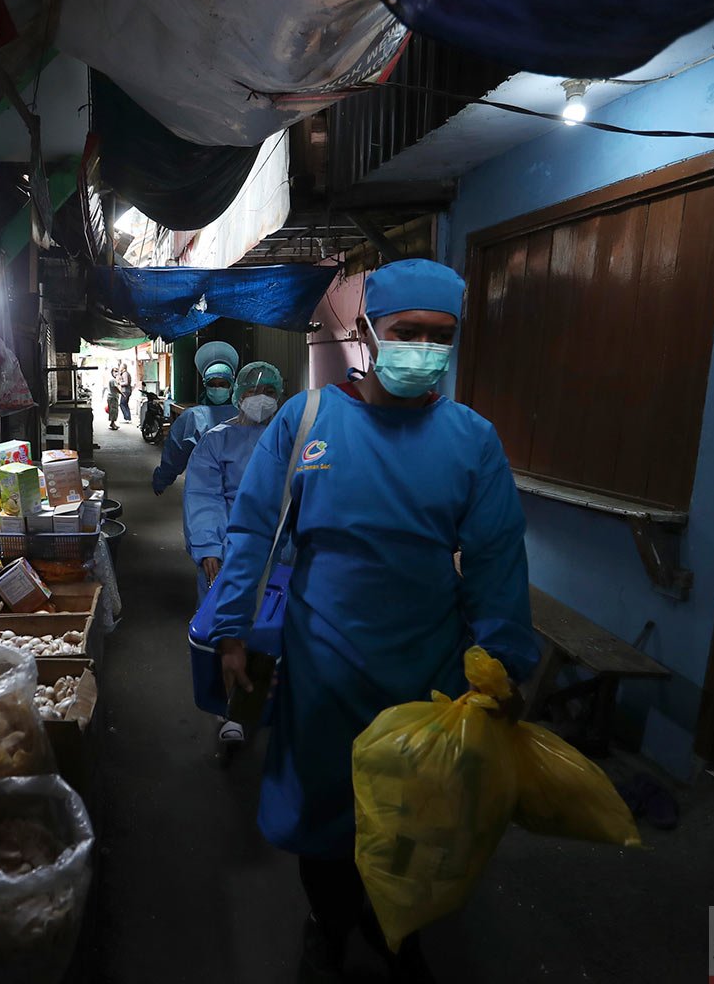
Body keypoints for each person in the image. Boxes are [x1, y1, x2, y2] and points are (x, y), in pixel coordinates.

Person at [206, 259, 538, 983]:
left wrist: (504, 661)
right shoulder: (310, 420)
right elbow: (254, 533)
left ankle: (396, 931)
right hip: (321, 668)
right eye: (406, 331)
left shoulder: (471, 441)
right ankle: (328, 925)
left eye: (439, 335)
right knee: (325, 823)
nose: (422, 347)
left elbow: (495, 561)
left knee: (415, 818)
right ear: (366, 333)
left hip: (427, 674)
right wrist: (233, 631)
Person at [184, 360, 285, 744]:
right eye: (252, 392)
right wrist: (209, 544)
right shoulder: (216, 440)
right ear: (239, 396)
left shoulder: (288, 437)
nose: (260, 400)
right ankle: (228, 710)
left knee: (271, 629)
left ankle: (268, 701)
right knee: (226, 627)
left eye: (270, 392)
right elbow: (203, 494)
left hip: (280, 550)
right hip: (228, 549)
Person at [151, 341, 239, 494]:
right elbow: (176, 452)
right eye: (213, 384)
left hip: (235, 488)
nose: (217, 388)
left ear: (232, 385)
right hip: (204, 489)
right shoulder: (193, 417)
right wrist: (164, 477)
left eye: (223, 384)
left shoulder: (245, 416)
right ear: (205, 384)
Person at [113, 359, 134, 425]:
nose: (120, 368)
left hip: (125, 391)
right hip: (127, 391)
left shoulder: (125, 374)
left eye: (121, 367)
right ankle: (128, 418)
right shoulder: (126, 373)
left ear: (124, 368)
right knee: (125, 404)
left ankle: (127, 418)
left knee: (122, 404)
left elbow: (126, 382)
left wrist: (119, 383)